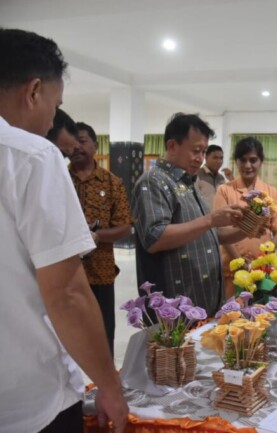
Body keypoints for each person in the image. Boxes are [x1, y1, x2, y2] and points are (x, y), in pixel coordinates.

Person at [0, 28, 127, 433]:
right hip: (31, 398)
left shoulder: (109, 181)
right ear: (34, 91)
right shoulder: (30, 156)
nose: (54, 121)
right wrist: (109, 385)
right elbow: (67, 294)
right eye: (55, 107)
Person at [131, 113, 245, 316]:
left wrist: (247, 229)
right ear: (172, 145)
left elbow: (207, 234)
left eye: (203, 152)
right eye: (195, 151)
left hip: (204, 299)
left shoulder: (188, 182)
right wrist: (210, 220)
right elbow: (155, 238)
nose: (200, 158)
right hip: (175, 307)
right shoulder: (153, 181)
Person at [69, 121, 132, 357]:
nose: (76, 146)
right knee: (67, 331)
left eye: (82, 141)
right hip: (65, 272)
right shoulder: (58, 178)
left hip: (100, 271)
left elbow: (125, 227)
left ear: (96, 145)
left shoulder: (111, 182)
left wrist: (96, 236)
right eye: (72, 142)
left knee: (103, 332)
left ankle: (103, 375)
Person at [214, 136, 277, 298]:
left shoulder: (271, 192)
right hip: (233, 272)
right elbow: (221, 232)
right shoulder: (224, 191)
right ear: (236, 161)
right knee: (233, 312)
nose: (248, 165)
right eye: (243, 160)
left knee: (262, 312)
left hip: (264, 273)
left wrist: (262, 260)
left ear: (261, 161)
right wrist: (241, 263)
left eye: (253, 160)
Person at [196, 144, 233, 210]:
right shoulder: (197, 175)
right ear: (206, 158)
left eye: (221, 158)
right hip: (203, 216)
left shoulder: (221, 178)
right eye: (215, 158)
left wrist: (231, 179)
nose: (219, 161)